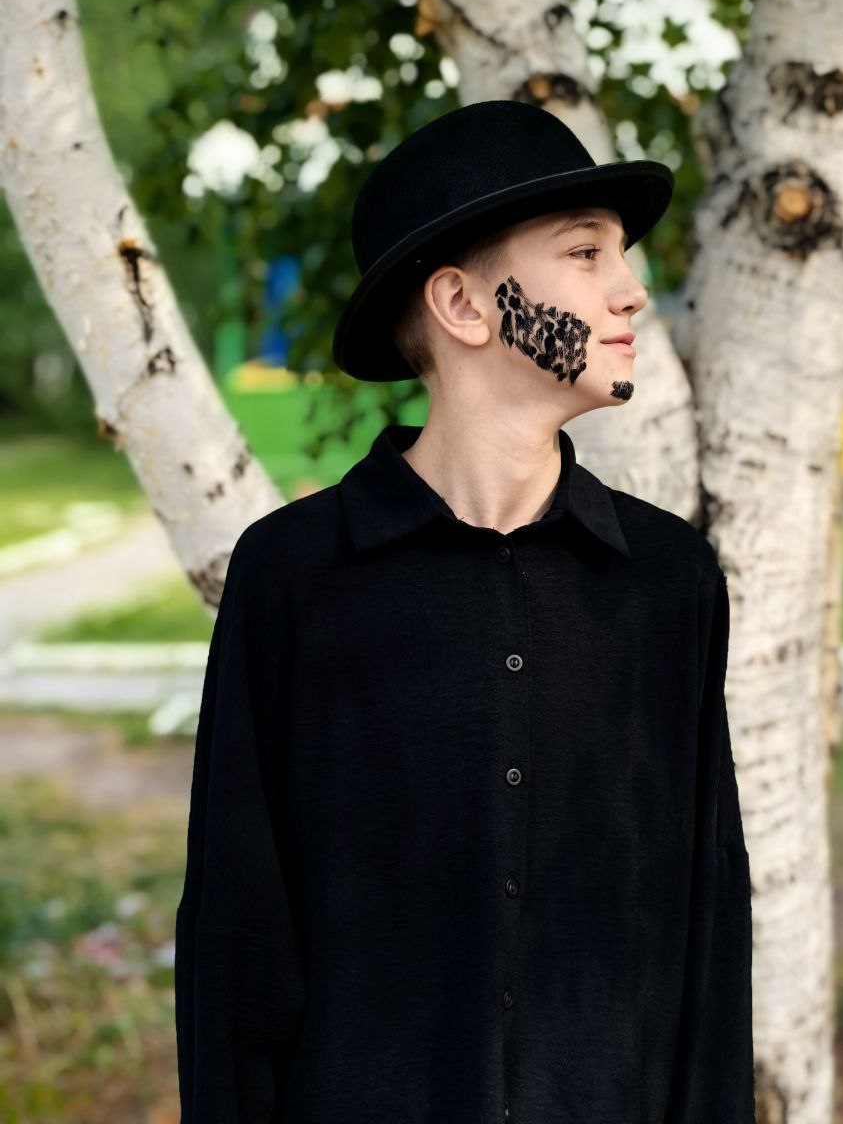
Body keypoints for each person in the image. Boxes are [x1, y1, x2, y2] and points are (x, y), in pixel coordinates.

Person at [174, 99, 754, 1123]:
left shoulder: (667, 581)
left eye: (621, 254)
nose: (631, 289)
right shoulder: (296, 578)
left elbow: (706, 934)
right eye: (585, 251)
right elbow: (237, 943)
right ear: (462, 303)